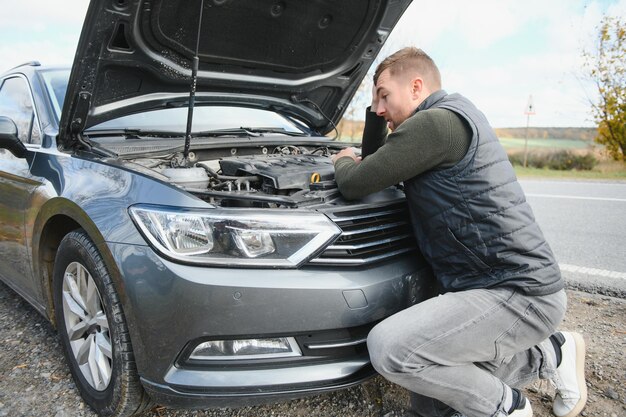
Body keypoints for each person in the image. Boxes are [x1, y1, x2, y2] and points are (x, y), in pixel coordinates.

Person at [331, 47, 587, 417]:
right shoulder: (449, 114)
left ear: (417, 87)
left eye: (384, 96)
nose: (379, 109)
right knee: (433, 403)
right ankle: (553, 353)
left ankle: (507, 407)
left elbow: (357, 181)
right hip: (493, 284)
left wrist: (341, 161)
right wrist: (376, 106)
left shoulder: (435, 124)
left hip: (518, 293)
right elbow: (374, 159)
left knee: (392, 349)